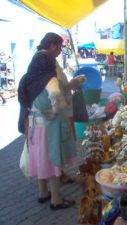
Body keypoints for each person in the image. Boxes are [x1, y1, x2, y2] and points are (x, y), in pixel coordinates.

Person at [18, 32, 80, 210]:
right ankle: (56, 199)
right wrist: (55, 110)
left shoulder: (28, 78)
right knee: (53, 159)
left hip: (33, 124)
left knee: (40, 158)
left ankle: (43, 193)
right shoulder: (49, 78)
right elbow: (55, 94)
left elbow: (23, 100)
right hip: (48, 126)